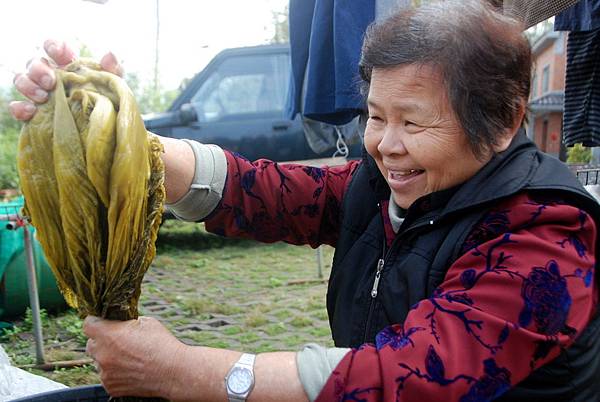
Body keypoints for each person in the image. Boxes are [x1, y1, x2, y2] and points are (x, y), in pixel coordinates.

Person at [10, 1, 600, 401]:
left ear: (503, 121)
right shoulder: (384, 184)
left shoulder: (546, 236)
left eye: (413, 123)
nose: (385, 146)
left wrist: (185, 372)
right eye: (374, 116)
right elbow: (268, 192)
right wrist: (115, 137)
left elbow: (407, 375)